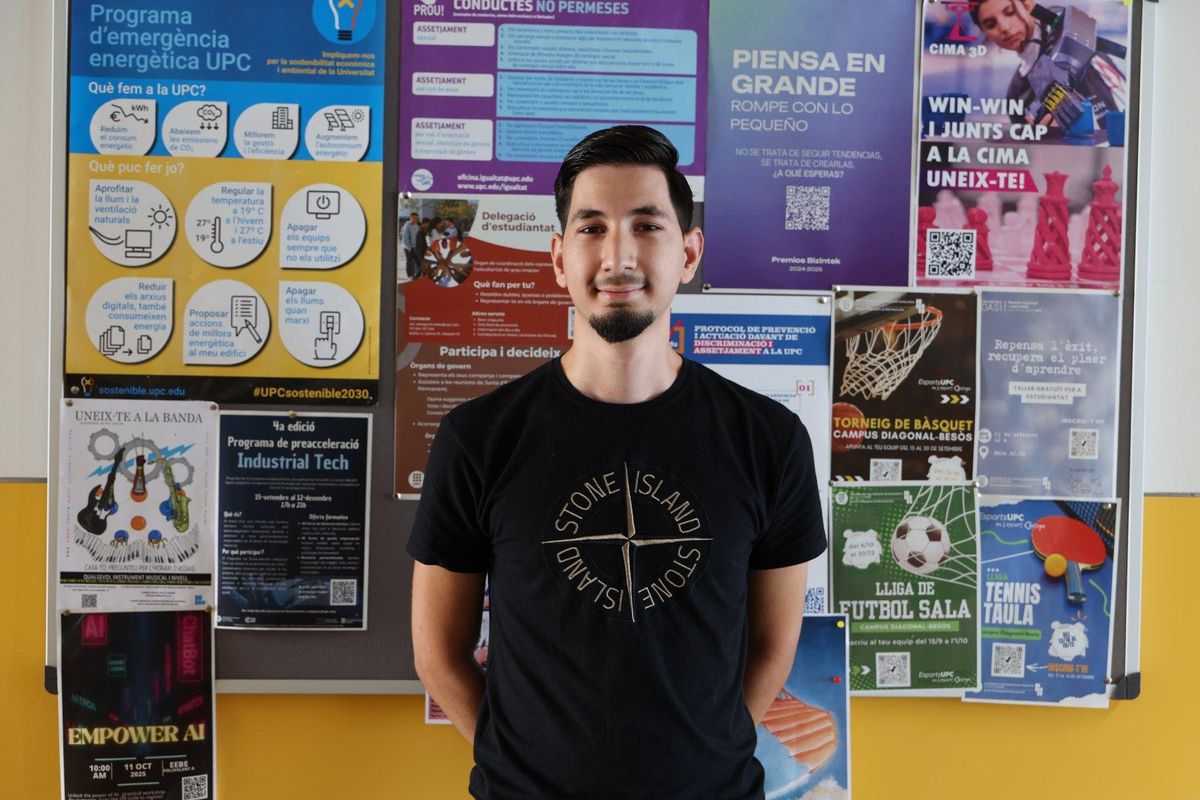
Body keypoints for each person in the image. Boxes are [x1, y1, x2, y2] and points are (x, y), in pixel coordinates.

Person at [409, 125, 826, 799]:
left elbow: (774, 643)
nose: (619, 255)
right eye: (592, 227)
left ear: (688, 252)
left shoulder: (769, 438)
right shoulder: (479, 437)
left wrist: (707, 754)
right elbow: (438, 653)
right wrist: (519, 765)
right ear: (558, 257)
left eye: (647, 225)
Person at [971, 0, 1126, 131]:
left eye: (1010, 12)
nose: (1004, 27)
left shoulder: (1068, 32)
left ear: (1027, 4)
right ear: (984, 33)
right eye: (991, 24)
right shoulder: (1015, 93)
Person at [400, 212, 421, 279]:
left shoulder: (416, 225)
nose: (416, 219)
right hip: (408, 247)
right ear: (411, 218)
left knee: (418, 262)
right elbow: (405, 238)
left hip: (415, 247)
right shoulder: (407, 225)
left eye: (417, 218)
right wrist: (410, 248)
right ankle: (409, 276)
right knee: (409, 262)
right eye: (415, 218)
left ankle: (416, 275)